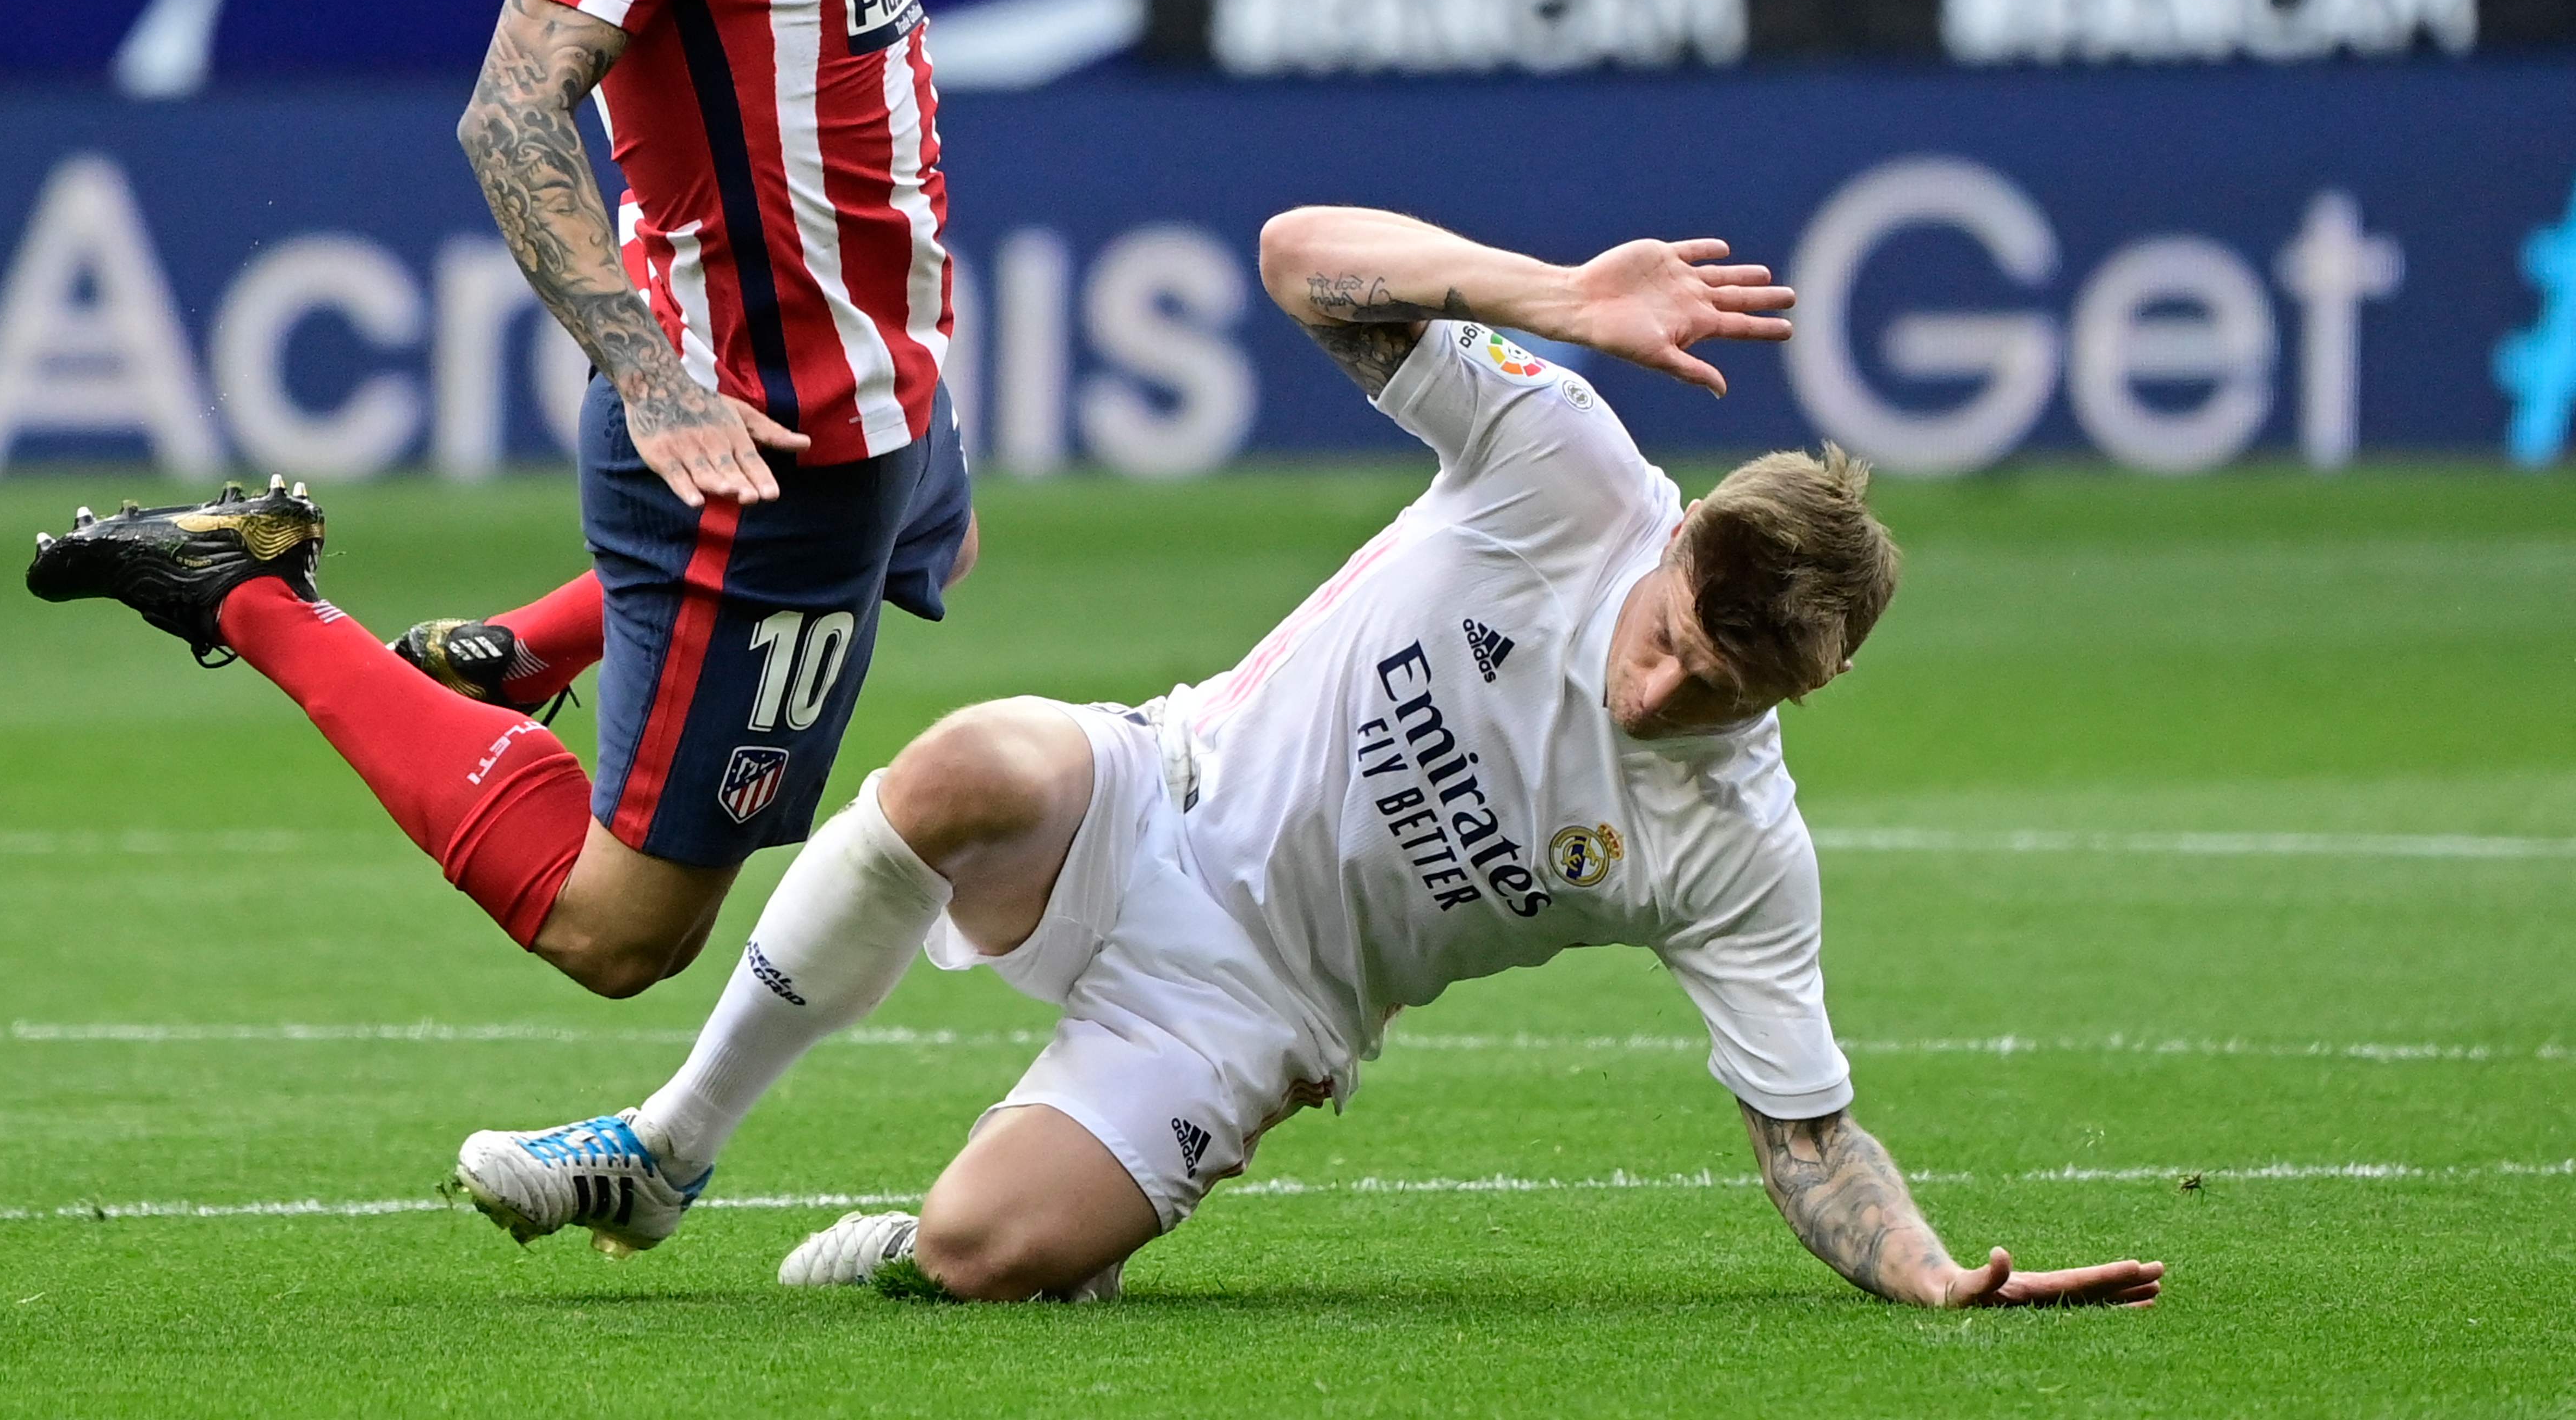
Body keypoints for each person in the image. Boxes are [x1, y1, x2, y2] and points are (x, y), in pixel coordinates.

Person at [441, 205, 2166, 1313]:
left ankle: (988, 1237)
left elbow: (1804, 1142)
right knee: (972, 758)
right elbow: (1290, 255)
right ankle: (665, 1148)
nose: (1658, 696)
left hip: (1254, 1008)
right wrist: (1546, 293)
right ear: (1671, 543)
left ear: (1800, 691)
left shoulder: (1735, 849)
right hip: (1155, 791)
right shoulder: (1564, 468)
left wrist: (1932, 1275)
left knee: (981, 1254)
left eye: (1719, 692)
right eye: (1664, 639)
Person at [27, 0, 996, 1005]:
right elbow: (510, 110)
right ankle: (246, 595)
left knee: (933, 526)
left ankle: (525, 650)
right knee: (623, 934)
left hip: (873, 393)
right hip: (769, 432)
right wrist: (656, 379)